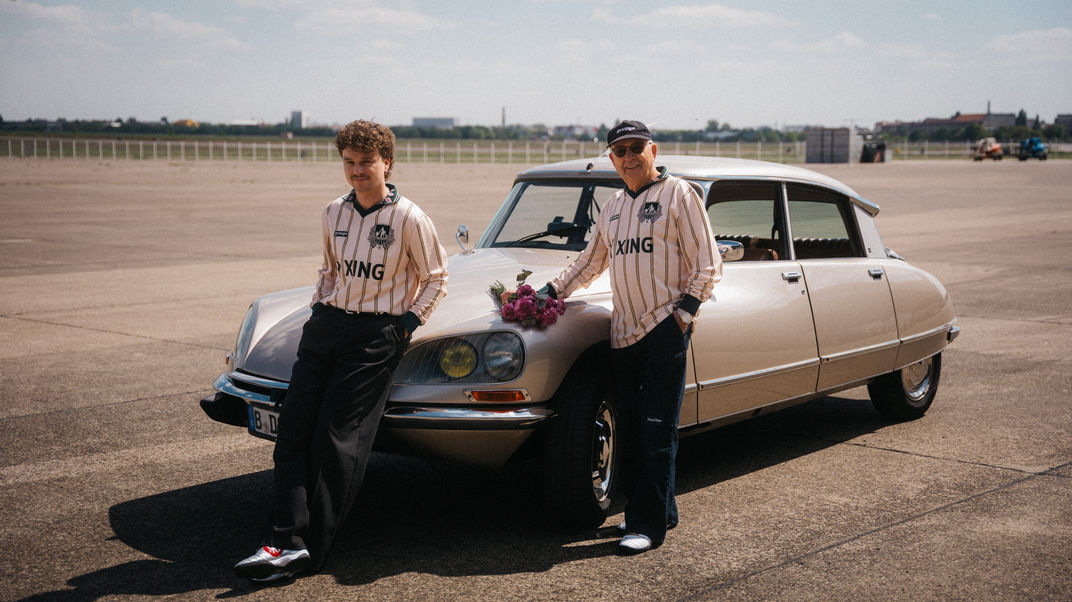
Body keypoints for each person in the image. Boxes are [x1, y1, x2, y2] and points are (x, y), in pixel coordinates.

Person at [234, 120, 448, 582]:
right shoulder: (334, 212)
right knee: (293, 432)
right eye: (349, 162)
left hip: (375, 335)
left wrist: (405, 326)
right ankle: (283, 541)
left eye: (366, 162)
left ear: (386, 162)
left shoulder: (410, 217)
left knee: (336, 438)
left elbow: (436, 279)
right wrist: (319, 308)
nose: (357, 171)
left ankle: (309, 548)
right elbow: (330, 270)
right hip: (327, 327)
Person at [542, 120, 720, 555]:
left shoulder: (679, 194)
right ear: (611, 158)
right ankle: (661, 510)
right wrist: (545, 293)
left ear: (652, 150)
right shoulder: (614, 207)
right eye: (620, 151)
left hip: (664, 330)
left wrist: (683, 316)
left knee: (657, 430)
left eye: (636, 147)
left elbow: (708, 264)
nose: (628, 157)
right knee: (636, 431)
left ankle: (646, 526)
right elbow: (588, 264)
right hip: (624, 334)